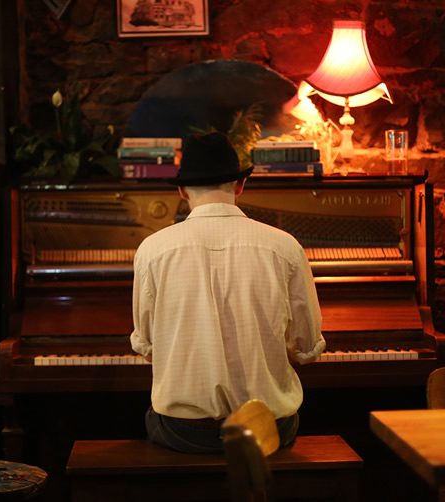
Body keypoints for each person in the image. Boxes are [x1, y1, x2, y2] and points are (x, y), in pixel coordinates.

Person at [130, 132, 326, 453]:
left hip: (184, 431)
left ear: (181, 191)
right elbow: (305, 349)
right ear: (239, 185)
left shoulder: (152, 249)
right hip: (267, 430)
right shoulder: (285, 246)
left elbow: (148, 346)